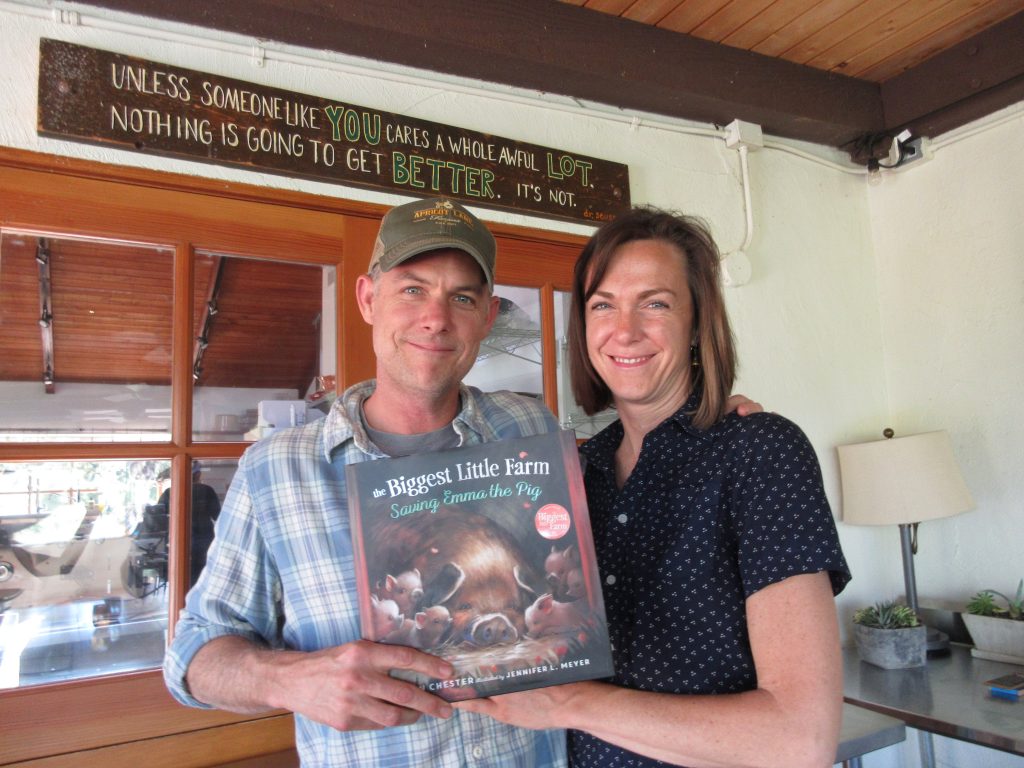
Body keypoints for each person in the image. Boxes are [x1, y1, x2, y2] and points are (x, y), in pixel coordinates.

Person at [163, 197, 569, 766]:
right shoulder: (275, 469)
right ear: (366, 299)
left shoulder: (530, 426)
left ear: (488, 317)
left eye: (462, 297)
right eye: (412, 289)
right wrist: (289, 678)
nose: (437, 317)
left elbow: (620, 471)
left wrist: (698, 418)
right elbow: (192, 655)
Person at [457, 207, 851, 768]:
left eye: (655, 303)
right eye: (603, 305)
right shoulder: (573, 476)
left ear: (697, 323)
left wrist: (569, 702)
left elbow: (799, 741)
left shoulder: (759, 452)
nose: (626, 330)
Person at [156, 462, 222, 585]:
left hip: (178, 542)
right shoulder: (207, 491)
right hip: (205, 543)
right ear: (198, 474)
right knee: (202, 580)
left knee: (181, 579)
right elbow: (219, 517)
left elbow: (158, 520)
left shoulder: (169, 493)